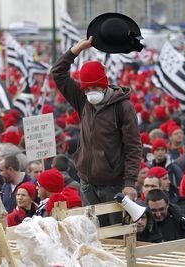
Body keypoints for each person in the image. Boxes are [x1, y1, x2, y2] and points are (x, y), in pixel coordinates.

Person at [52, 37, 141, 226]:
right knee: (94, 234)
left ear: (104, 84)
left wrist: (130, 183)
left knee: (116, 235)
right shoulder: (83, 101)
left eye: (95, 87)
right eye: (87, 88)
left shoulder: (123, 107)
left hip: (114, 186)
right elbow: (58, 73)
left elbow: (133, 147)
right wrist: (75, 50)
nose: (91, 91)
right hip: (87, 184)